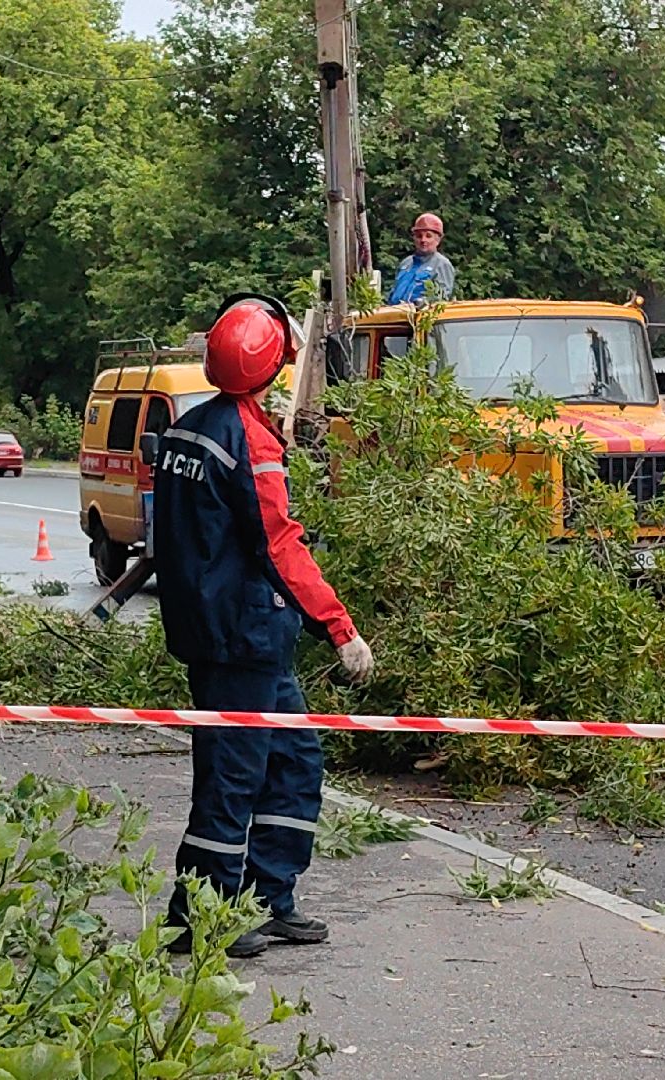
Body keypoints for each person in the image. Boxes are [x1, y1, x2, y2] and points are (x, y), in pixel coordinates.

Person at [153, 293, 376, 958]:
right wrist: (340, 628)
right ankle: (205, 914)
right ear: (275, 361)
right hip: (242, 638)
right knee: (232, 779)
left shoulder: (192, 427)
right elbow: (279, 543)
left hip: (237, 635)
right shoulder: (246, 441)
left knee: (294, 765)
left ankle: (266, 897)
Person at [386, 212, 456, 305]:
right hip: (395, 316)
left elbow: (441, 298)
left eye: (428, 236)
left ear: (438, 240)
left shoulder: (442, 264)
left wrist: (421, 304)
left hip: (421, 318)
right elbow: (392, 293)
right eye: (419, 236)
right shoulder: (406, 263)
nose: (423, 240)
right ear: (414, 238)